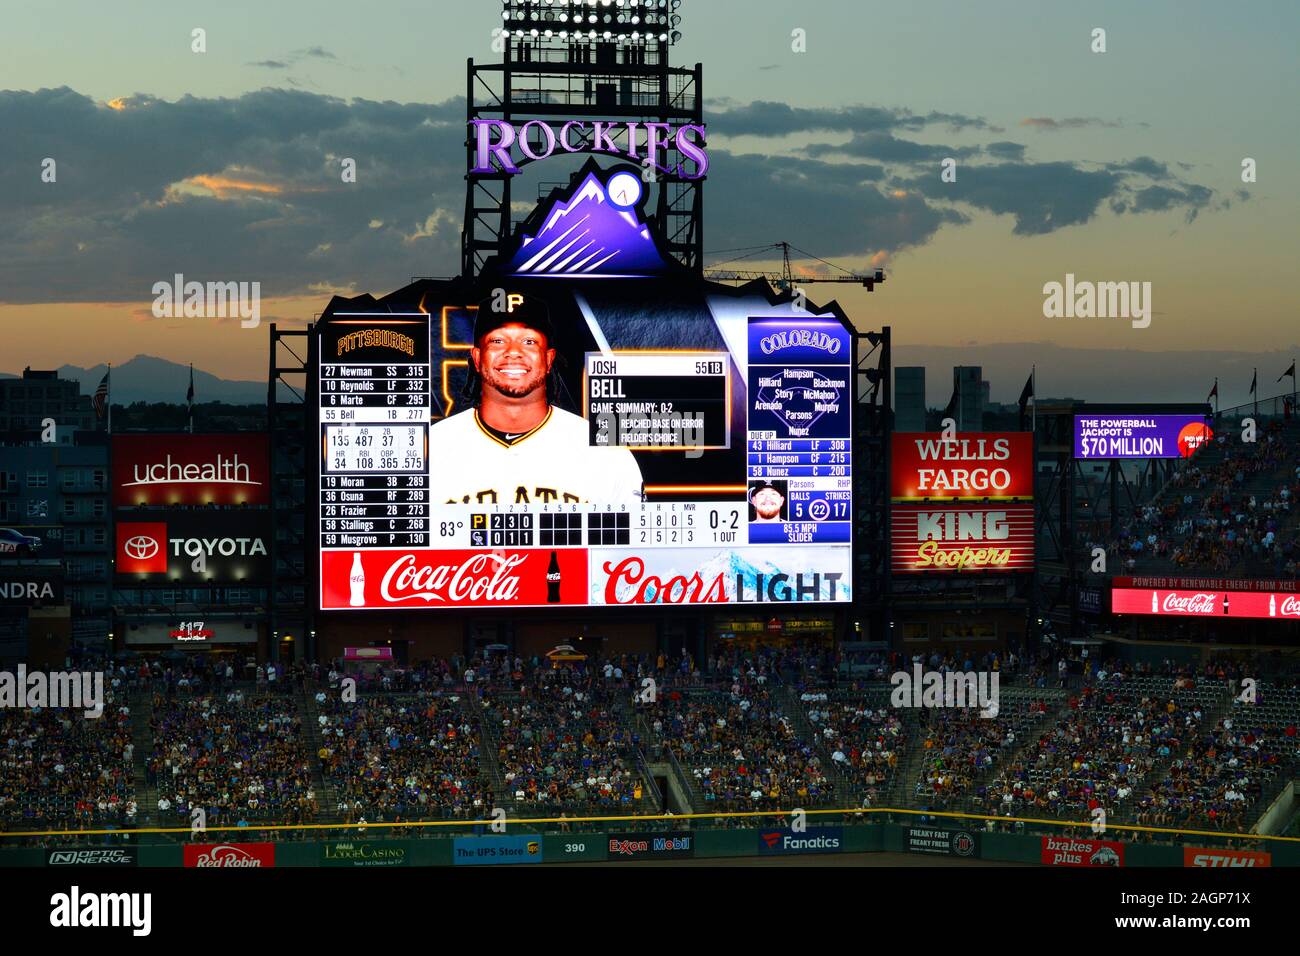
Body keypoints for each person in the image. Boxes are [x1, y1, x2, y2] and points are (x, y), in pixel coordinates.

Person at [426, 292, 644, 505]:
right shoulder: (432, 449)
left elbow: (634, 539)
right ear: (477, 358)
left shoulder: (606, 454)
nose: (513, 352)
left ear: (549, 359)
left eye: (529, 341)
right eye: (498, 341)